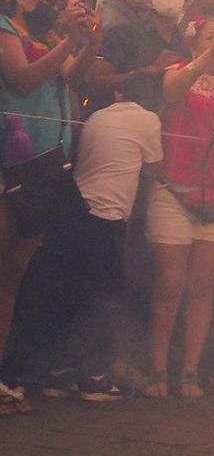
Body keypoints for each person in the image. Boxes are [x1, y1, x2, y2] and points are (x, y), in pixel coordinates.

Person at [0, 0, 99, 413]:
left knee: (11, 279)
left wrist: (88, 40)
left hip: (44, 164)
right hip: (11, 164)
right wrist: (65, 41)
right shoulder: (4, 29)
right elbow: (21, 79)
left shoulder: (45, 39)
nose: (54, 9)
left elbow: (73, 76)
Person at [144, 15, 214, 397]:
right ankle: (158, 368)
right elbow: (172, 93)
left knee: (202, 287)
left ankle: (190, 370)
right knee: (169, 284)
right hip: (174, 190)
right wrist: (204, 58)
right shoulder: (179, 70)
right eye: (211, 37)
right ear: (195, 43)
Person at [57, 70, 165, 397]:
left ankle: (61, 369)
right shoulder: (149, 120)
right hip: (108, 216)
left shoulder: (97, 116)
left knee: (75, 289)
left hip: (76, 210)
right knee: (105, 295)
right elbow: (153, 169)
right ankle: (94, 374)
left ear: (119, 93)